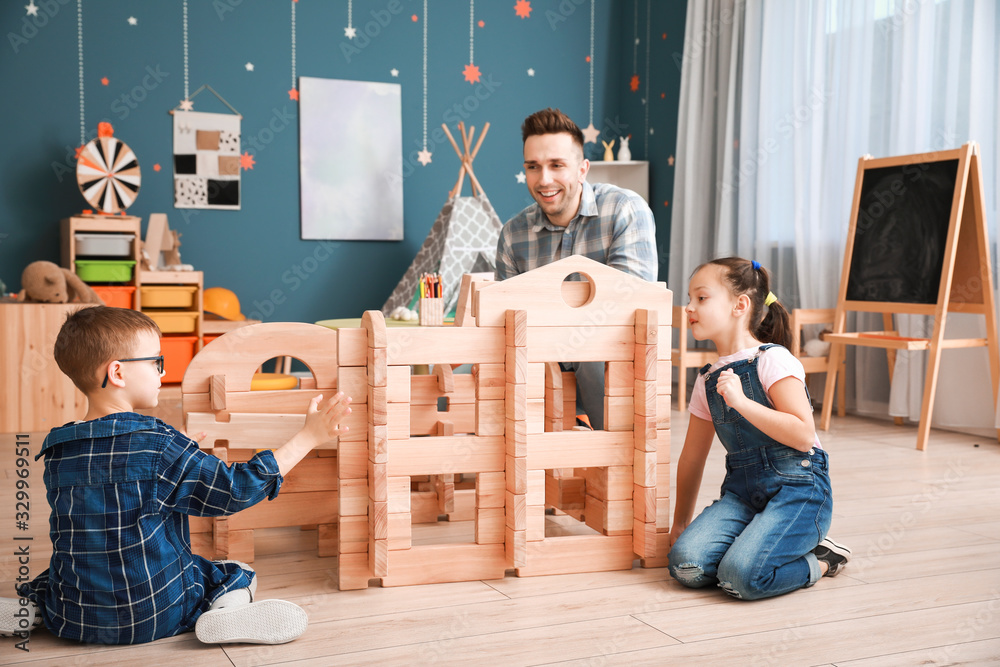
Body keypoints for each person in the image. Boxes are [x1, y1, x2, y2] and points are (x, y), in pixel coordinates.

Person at [0, 306, 352, 645]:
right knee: (232, 572)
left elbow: (115, 479)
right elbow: (235, 490)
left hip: (75, 617)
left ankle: (26, 610)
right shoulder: (158, 445)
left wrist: (180, 453)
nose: (162, 372)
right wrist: (310, 436)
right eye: (156, 362)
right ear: (118, 373)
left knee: (58, 576)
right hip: (156, 613)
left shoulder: (57, 449)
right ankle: (221, 617)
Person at [667, 257, 850, 600]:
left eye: (701, 298)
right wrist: (680, 524)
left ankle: (823, 558)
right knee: (685, 566)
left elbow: (802, 434)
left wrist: (741, 402)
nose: (689, 307)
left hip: (799, 490)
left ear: (740, 305)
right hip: (742, 492)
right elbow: (692, 458)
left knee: (740, 578)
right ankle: (755, 542)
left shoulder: (773, 360)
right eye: (689, 298)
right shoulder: (706, 379)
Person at [495, 107, 657, 429]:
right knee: (472, 369)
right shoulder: (513, 234)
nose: (544, 180)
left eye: (557, 165)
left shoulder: (625, 209)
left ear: (583, 169)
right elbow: (504, 322)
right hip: (538, 359)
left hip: (610, 358)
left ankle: (614, 457)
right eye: (533, 167)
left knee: (591, 351)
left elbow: (626, 309)